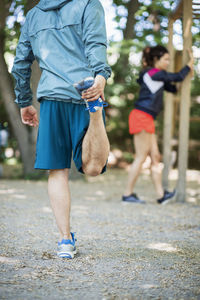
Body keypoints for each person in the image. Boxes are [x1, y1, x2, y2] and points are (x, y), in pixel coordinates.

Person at [12, 0, 111, 258]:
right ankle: (96, 112)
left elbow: (21, 62)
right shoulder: (89, 4)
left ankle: (65, 241)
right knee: (92, 168)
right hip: (85, 91)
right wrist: (100, 76)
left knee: (57, 171)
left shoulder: (33, 15)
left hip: (52, 97)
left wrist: (24, 101)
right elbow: (96, 43)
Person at [122, 45, 193, 205]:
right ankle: (127, 195)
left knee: (155, 157)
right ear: (156, 59)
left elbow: (173, 87)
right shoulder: (152, 73)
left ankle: (161, 195)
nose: (168, 62)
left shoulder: (157, 76)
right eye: (166, 59)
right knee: (141, 157)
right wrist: (189, 65)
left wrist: (188, 73)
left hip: (147, 118)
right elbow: (176, 77)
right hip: (141, 116)